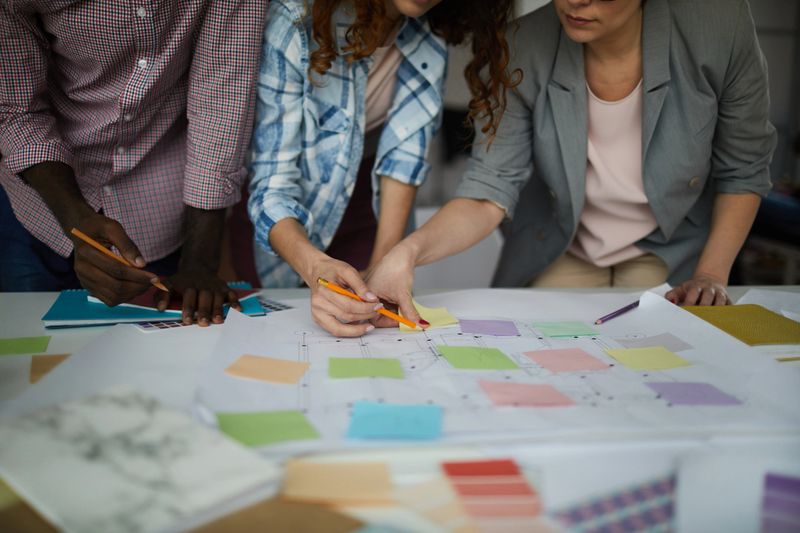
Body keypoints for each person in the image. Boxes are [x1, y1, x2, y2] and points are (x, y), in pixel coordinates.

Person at [366, 0, 777, 324]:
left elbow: (743, 168)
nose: (576, 2)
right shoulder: (521, 45)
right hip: (560, 246)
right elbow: (489, 190)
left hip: (672, 248)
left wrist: (709, 275)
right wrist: (408, 252)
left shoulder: (719, 26)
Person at [248, 0, 520, 336]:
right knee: (281, 334)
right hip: (281, 223)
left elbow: (405, 161)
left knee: (373, 329)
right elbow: (272, 184)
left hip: (368, 203)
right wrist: (314, 266)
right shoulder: (295, 19)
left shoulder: (428, 28)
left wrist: (382, 269)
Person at [0, 1, 267, 326]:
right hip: (35, 211)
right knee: (32, 358)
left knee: (157, 366)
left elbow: (221, 98)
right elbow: (16, 108)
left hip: (162, 211)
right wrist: (75, 218)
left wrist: (199, 262)